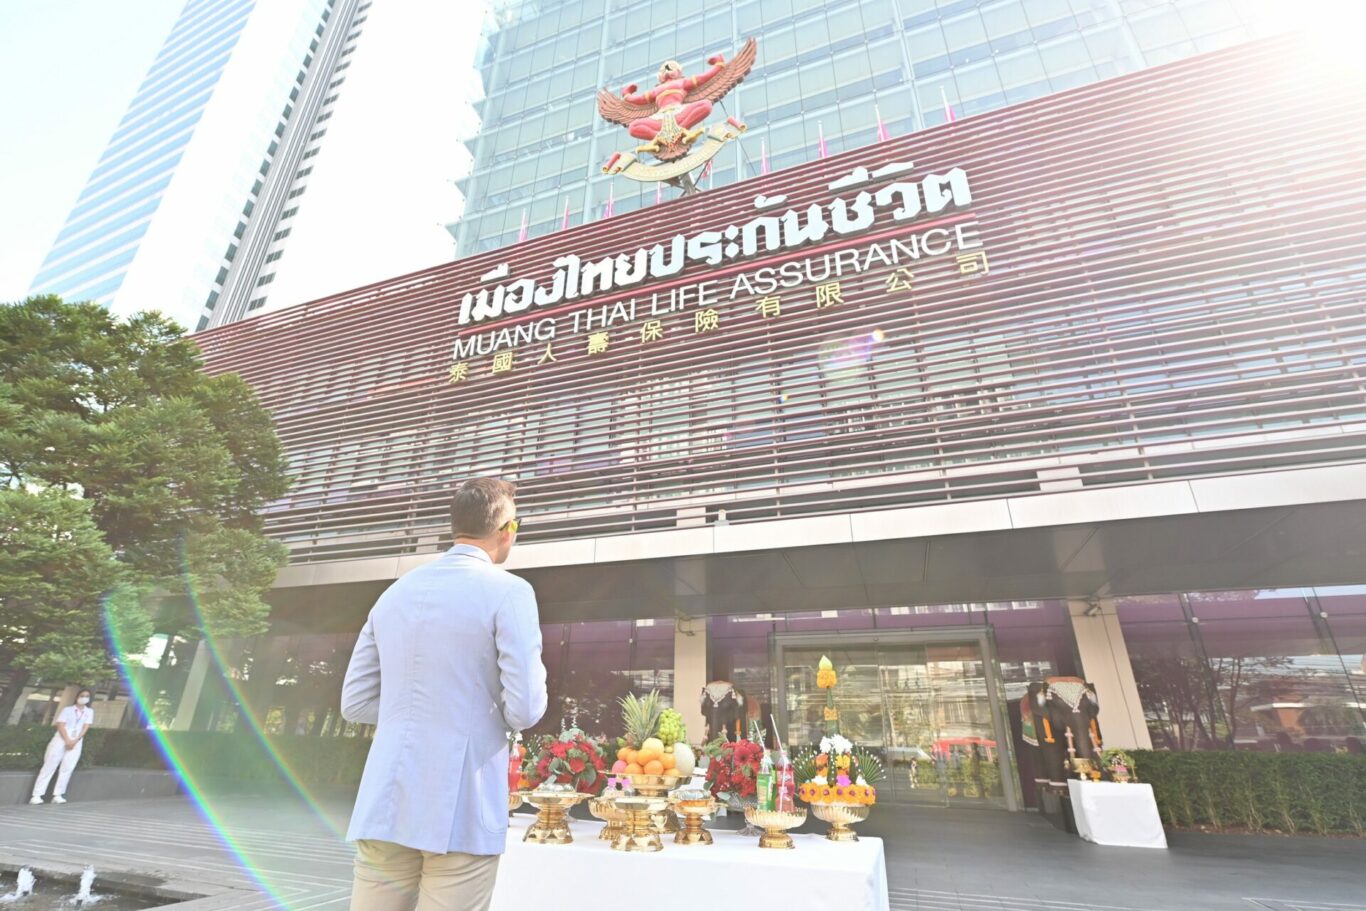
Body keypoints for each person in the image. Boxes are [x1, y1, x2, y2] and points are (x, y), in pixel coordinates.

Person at [342, 477, 547, 911]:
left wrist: (414, 711)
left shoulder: (393, 593)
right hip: (461, 801)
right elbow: (525, 709)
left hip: (384, 798)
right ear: (506, 530)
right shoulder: (510, 591)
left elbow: (354, 703)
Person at [30, 688, 94, 805]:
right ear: (77, 697)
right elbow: (60, 725)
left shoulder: (89, 712)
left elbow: (85, 727)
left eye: (87, 696)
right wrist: (67, 740)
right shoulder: (68, 710)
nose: (84, 698)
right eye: (82, 695)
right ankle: (37, 795)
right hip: (61, 739)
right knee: (49, 765)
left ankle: (58, 794)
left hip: (76, 740)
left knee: (67, 768)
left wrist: (76, 740)